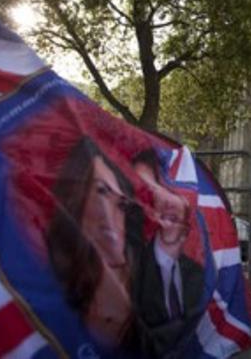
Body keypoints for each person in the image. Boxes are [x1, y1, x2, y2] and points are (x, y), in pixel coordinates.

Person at [46, 138, 144, 348]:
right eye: (101, 192)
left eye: (121, 205)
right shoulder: (45, 267)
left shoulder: (137, 272)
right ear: (74, 196)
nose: (110, 216)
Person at [130, 149, 206, 358]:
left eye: (162, 189)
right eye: (148, 193)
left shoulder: (198, 273)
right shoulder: (131, 273)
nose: (164, 200)